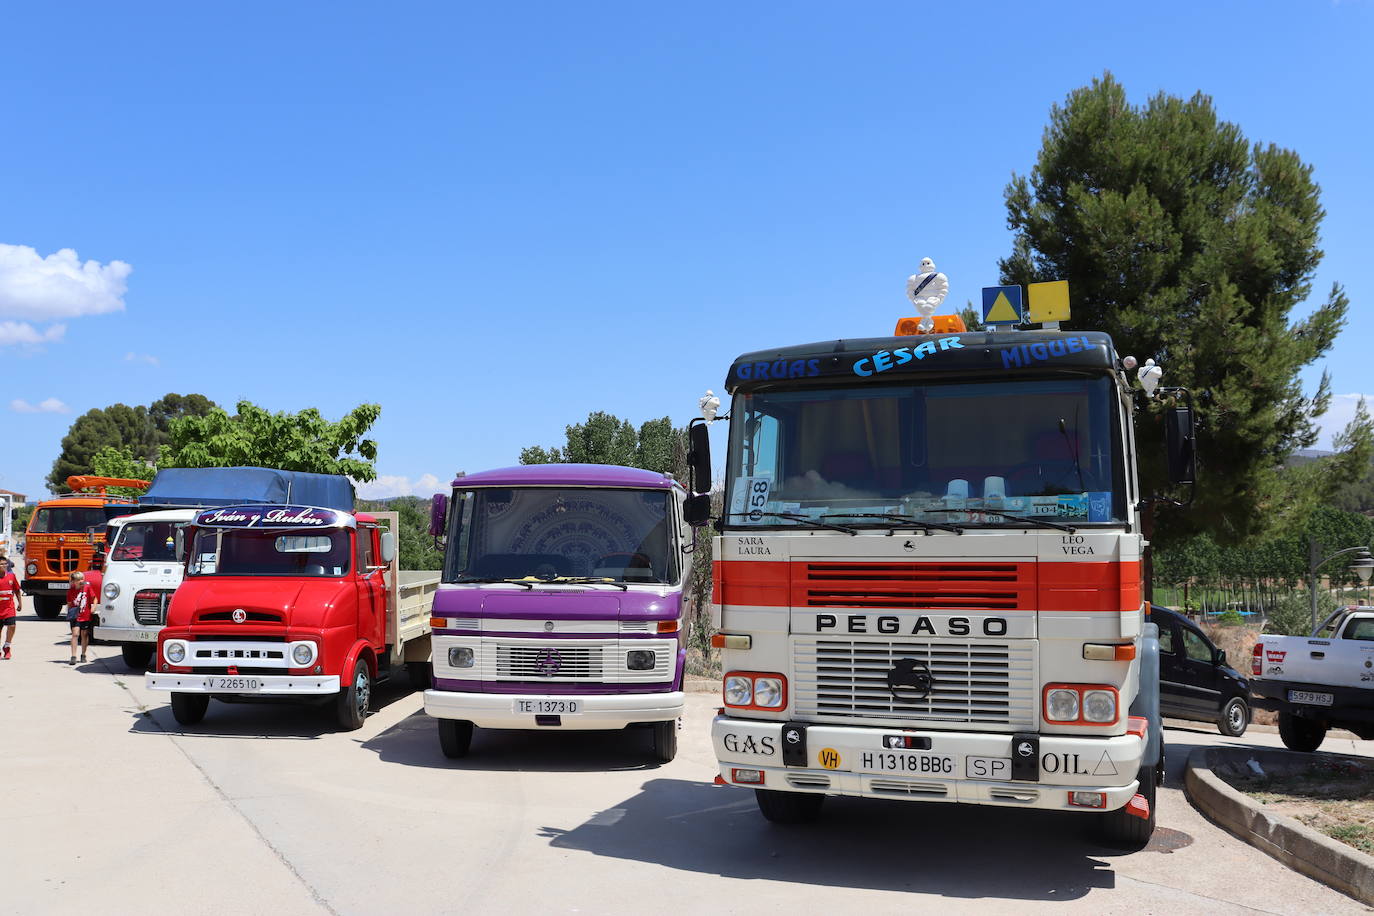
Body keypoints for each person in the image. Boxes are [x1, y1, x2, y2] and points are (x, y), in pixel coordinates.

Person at [66, 570, 98, 665]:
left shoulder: (87, 588)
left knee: (84, 634)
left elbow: (94, 598)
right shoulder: (70, 591)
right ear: (73, 581)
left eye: (82, 579)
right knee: (75, 634)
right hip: (75, 615)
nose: (81, 581)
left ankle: (83, 654)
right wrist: (69, 614)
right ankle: (73, 656)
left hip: (86, 614)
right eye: (78, 580)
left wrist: (94, 607)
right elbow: (69, 604)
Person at [0, 558, 19, 659]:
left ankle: (7, 647)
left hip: (9, 608)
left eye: (5, 564)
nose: (4, 566)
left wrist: (20, 603)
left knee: (12, 626)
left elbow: (17, 590)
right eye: (2, 564)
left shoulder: (11, 576)